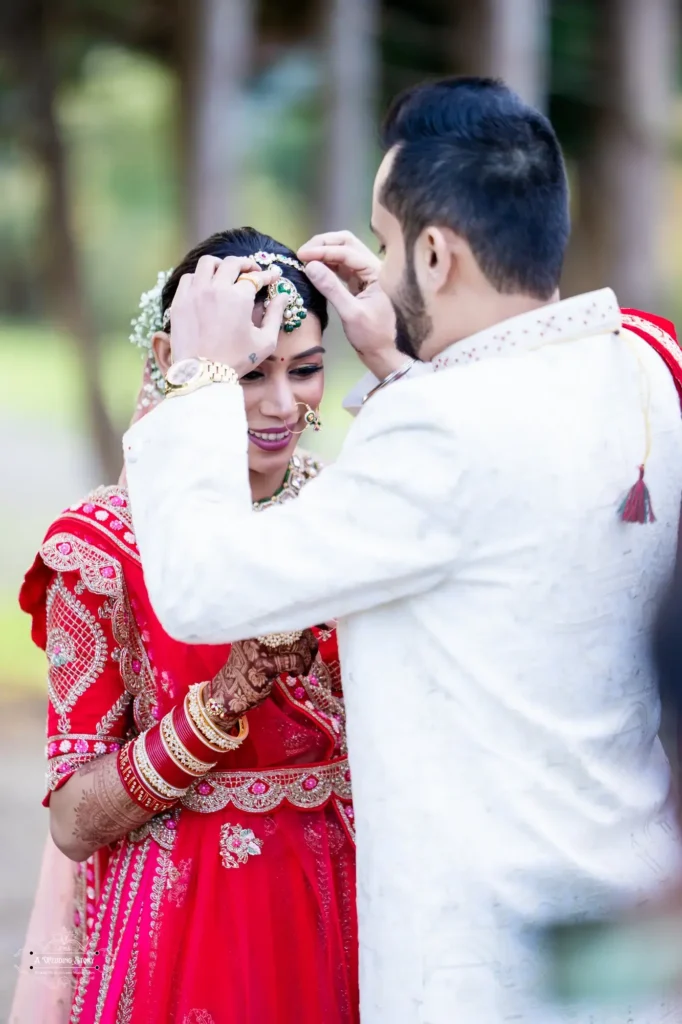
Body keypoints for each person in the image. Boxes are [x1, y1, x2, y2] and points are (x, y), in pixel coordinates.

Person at [122, 78, 682, 1023]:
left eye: (386, 242)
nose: (379, 266)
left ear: (436, 250)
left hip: (486, 963)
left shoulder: (443, 435)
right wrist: (399, 367)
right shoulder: (642, 367)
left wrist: (201, 377)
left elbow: (203, 587)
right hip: (630, 931)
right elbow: (504, 499)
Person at [14, 228, 359, 1024]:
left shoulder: (349, 517)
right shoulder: (104, 546)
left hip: (343, 914)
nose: (281, 405)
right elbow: (71, 821)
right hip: (181, 936)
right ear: (177, 360)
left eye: (304, 369)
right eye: (248, 374)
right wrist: (220, 705)